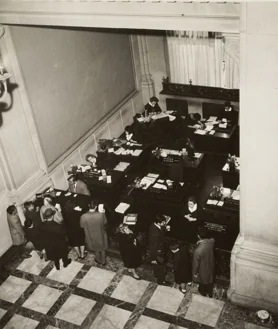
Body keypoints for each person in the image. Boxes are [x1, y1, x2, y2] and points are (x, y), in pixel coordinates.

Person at [80, 200, 108, 265]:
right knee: (102, 248)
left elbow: (81, 226)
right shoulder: (100, 215)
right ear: (96, 207)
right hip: (101, 234)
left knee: (95, 248)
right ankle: (103, 261)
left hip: (91, 235)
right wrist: (103, 213)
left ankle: (98, 260)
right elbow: (105, 222)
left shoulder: (83, 216)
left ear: (88, 206)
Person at [192, 227, 215, 298]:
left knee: (203, 281)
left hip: (202, 268)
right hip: (211, 264)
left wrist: (195, 273)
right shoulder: (212, 241)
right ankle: (210, 293)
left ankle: (203, 292)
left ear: (198, 236)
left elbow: (195, 264)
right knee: (210, 279)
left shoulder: (198, 251)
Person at [148, 214, 171, 285]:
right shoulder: (154, 234)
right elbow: (153, 247)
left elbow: (160, 230)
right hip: (159, 253)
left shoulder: (154, 225)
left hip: (159, 250)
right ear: (158, 223)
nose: (164, 223)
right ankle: (161, 281)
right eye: (163, 222)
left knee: (157, 266)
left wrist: (165, 229)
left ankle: (156, 274)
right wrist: (153, 258)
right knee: (162, 267)